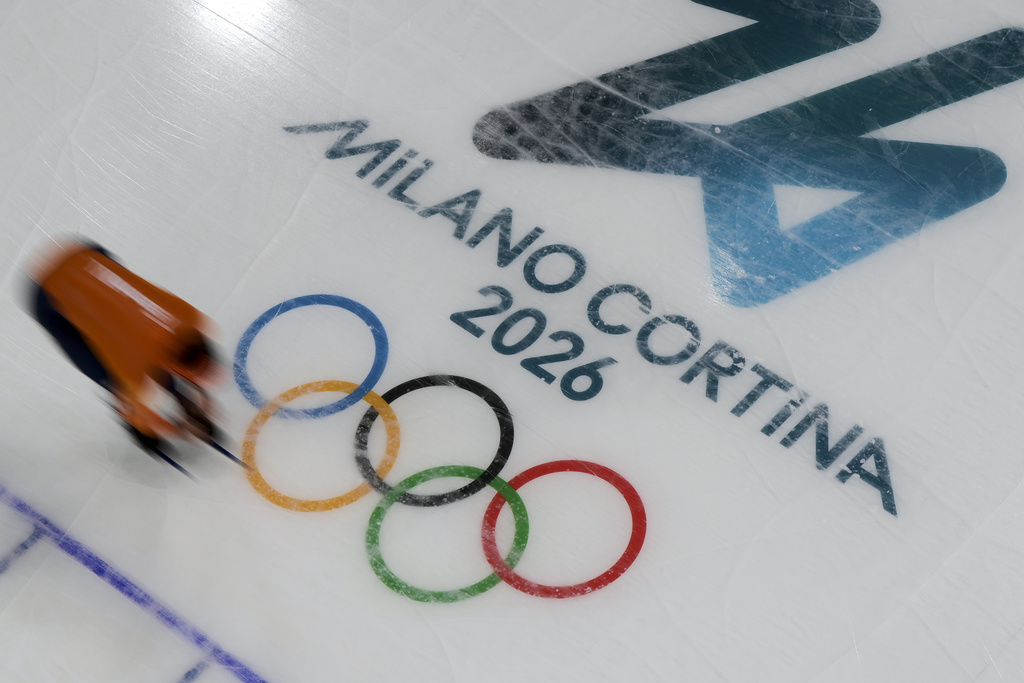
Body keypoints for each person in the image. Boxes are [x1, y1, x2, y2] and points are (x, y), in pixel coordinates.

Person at [27, 239, 222, 460]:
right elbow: (141, 414)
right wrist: (175, 429)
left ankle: (179, 398)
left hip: (87, 256)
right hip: (48, 294)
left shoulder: (187, 316)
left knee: (123, 328)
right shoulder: (132, 370)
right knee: (107, 374)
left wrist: (192, 403)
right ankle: (170, 406)